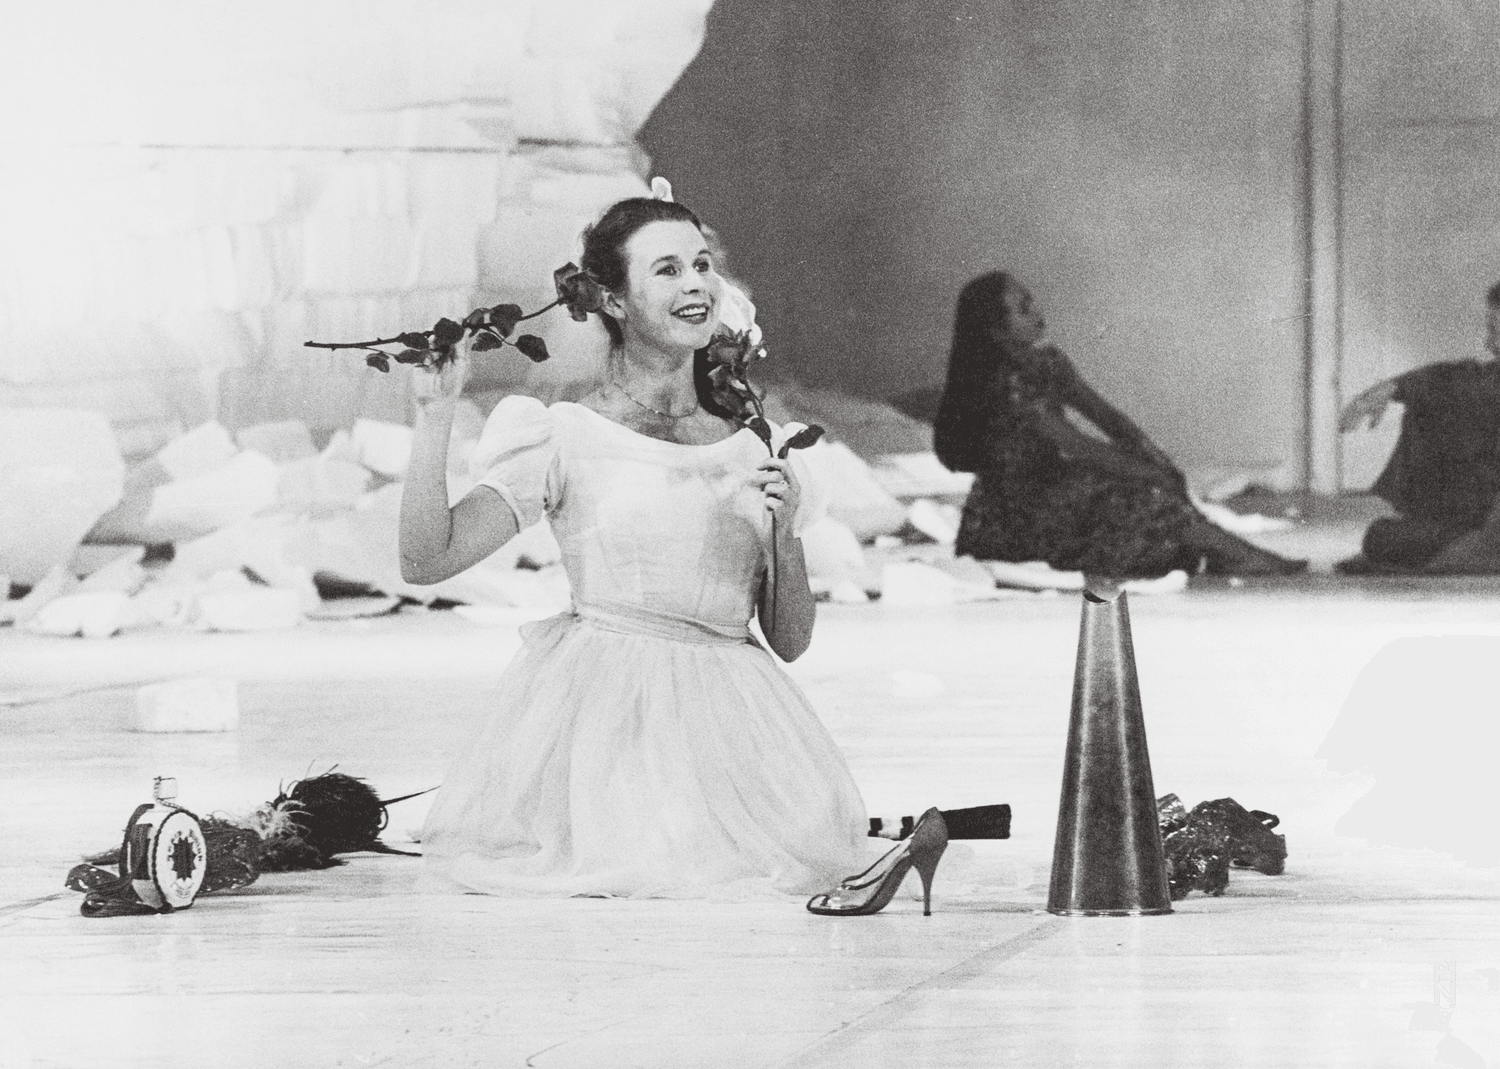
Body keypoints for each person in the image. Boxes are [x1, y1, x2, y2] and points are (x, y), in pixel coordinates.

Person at [403, 191, 869, 898]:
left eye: (703, 265)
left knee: (752, 871)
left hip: (736, 732)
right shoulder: (567, 435)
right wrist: (435, 416)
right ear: (614, 301)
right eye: (668, 270)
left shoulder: (754, 444)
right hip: (606, 725)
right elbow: (427, 558)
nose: (696, 285)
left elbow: (790, 638)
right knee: (653, 867)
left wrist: (786, 531)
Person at [934, 272, 1307, 579]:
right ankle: (1236, 553)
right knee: (1144, 497)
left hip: (1056, 485)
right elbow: (1076, 444)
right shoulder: (1002, 380)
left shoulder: (1048, 362)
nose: (1037, 312)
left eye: (1032, 301)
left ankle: (1228, 552)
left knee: (1149, 491)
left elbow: (1105, 416)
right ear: (997, 330)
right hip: (1016, 511)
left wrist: (1153, 456)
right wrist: (1144, 471)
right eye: (1023, 308)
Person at [1337, 282, 1500, 573]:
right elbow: (1452, 380)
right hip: (1474, 525)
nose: (1490, 344)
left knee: (1383, 539)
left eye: (1496, 331)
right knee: (1381, 537)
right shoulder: (1487, 380)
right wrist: (1394, 387)